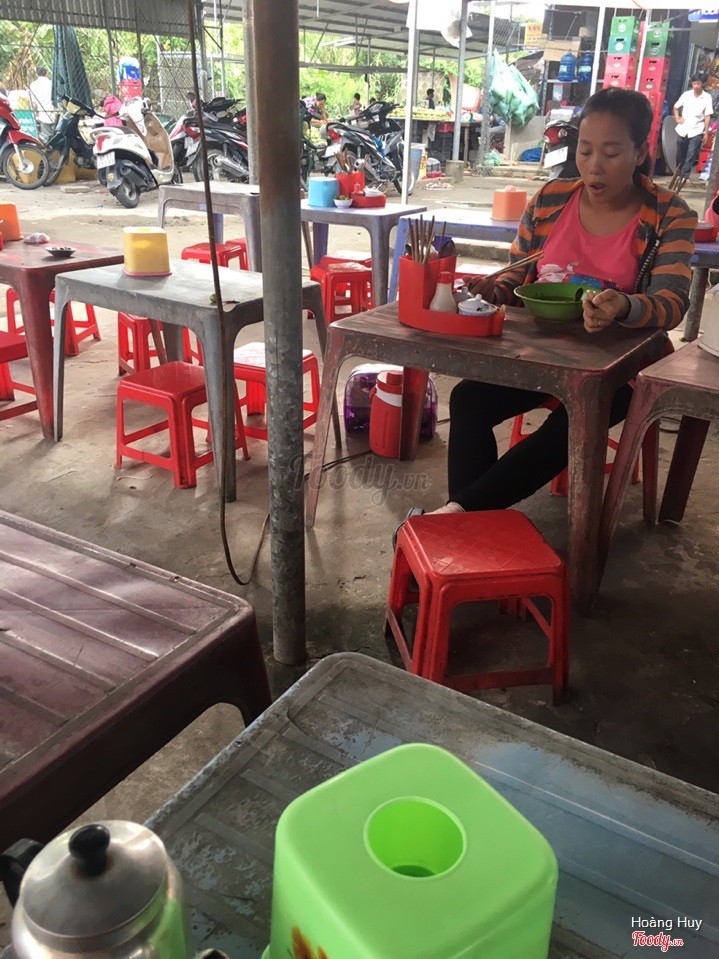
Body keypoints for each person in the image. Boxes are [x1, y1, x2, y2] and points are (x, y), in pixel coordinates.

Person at [403, 88, 696, 524]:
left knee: (578, 418)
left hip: (619, 370)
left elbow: (672, 303)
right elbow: (518, 276)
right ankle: (465, 523)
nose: (594, 166)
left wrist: (624, 306)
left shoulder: (668, 215)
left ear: (639, 153)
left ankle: (455, 520)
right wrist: (493, 292)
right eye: (585, 150)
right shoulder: (550, 200)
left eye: (611, 153)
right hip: (540, 352)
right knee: (467, 399)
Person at [673, 74, 713, 177]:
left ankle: (685, 175)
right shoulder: (686, 94)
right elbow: (676, 107)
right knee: (680, 151)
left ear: (702, 84)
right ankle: (679, 172)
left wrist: (706, 133)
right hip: (683, 128)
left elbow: (707, 116)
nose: (696, 86)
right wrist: (677, 118)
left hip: (696, 129)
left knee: (691, 153)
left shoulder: (707, 97)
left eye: (698, 84)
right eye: (694, 84)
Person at [28, 66, 55, 141]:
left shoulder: (33, 84)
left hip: (42, 111)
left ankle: (48, 143)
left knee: (46, 133)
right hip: (53, 110)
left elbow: (32, 100)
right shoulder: (51, 83)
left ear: (37, 74)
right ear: (46, 73)